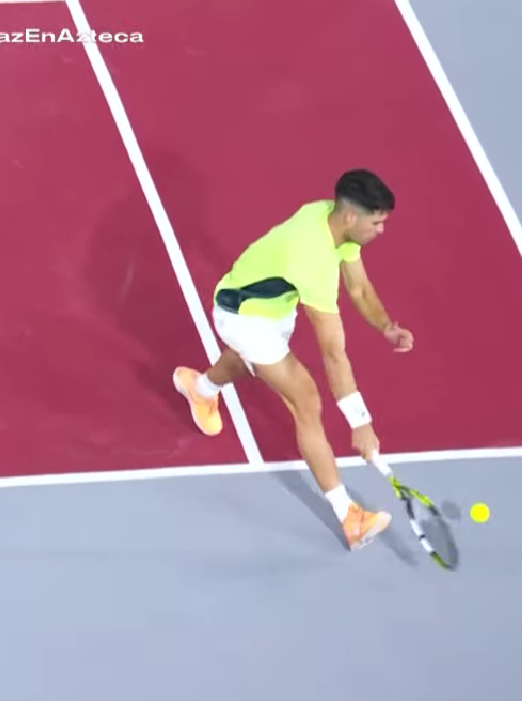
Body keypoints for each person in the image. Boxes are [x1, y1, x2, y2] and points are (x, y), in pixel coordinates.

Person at [171, 169, 414, 551]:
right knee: (306, 400)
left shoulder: (334, 222)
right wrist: (360, 422)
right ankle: (349, 516)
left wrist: (386, 326)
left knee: (248, 361)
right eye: (377, 223)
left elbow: (359, 288)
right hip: (243, 314)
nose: (381, 231)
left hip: (274, 309)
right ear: (351, 216)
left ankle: (200, 388)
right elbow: (333, 352)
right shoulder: (312, 257)